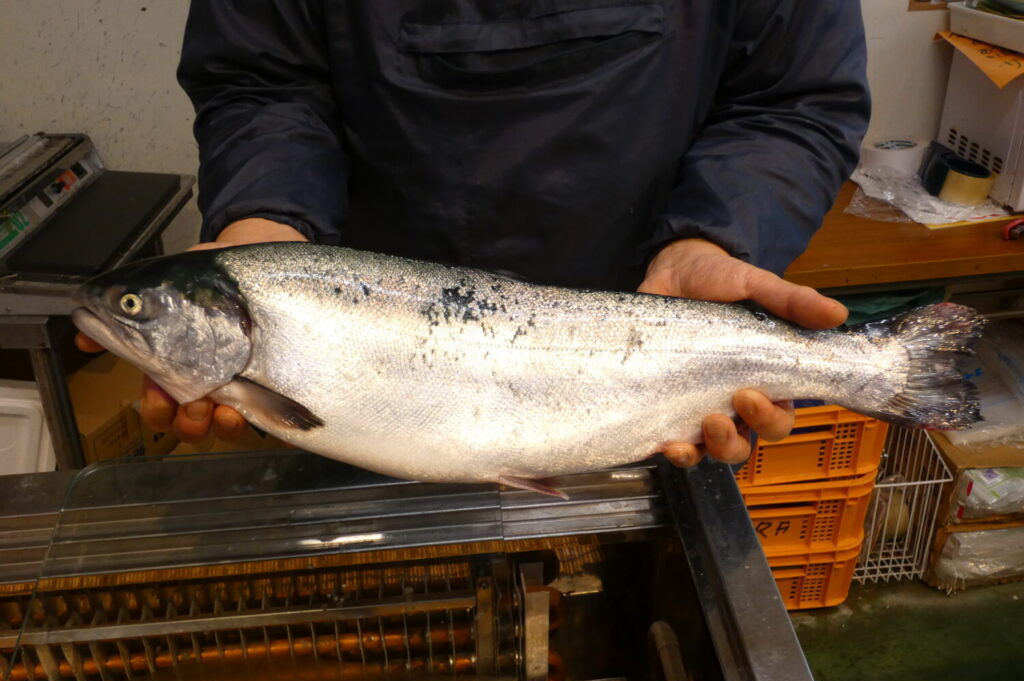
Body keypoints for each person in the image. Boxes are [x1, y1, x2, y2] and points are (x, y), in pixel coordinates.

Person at [78, 0, 870, 468]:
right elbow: (262, 79)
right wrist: (266, 228)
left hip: (648, 352)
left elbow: (793, 99)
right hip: (354, 370)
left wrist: (716, 235)